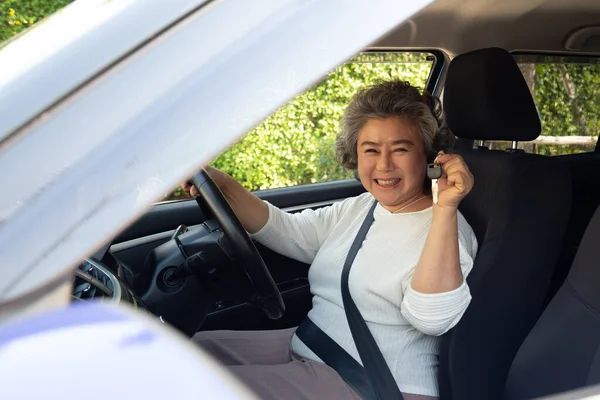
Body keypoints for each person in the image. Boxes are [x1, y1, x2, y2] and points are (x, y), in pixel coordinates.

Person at [183, 80, 478, 400]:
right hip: (313, 346)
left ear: (429, 156)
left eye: (401, 149)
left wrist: (446, 207)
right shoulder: (364, 207)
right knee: (186, 353)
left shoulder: (448, 229)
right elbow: (290, 232)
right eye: (371, 150)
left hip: (373, 384)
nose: (384, 164)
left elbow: (432, 319)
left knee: (184, 387)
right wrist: (222, 184)